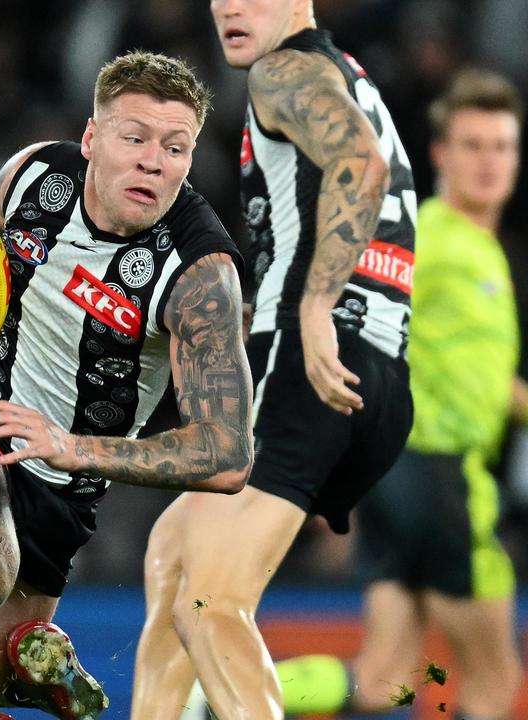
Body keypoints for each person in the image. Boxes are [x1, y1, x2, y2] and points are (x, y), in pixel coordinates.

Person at [0, 51, 254, 720]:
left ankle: (23, 666)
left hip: (63, 486)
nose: (154, 161)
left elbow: (227, 454)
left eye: (176, 147)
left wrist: (72, 448)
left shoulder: (198, 275)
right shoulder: (37, 174)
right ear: (93, 139)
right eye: (135, 138)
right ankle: (17, 661)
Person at [131, 1, 417, 718]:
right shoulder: (346, 72)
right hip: (374, 363)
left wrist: (315, 305)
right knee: (172, 561)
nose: (229, 4)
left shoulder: (282, 70)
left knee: (209, 604)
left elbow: (361, 163)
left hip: (313, 355)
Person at [275, 69, 525, 720]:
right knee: (496, 682)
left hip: (393, 479)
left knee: (384, 679)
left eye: (502, 146)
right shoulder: (435, 241)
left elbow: (477, 379)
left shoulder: (480, 249)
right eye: (473, 145)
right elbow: (340, 309)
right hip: (440, 476)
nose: (489, 161)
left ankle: (228, 692)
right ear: (440, 154)